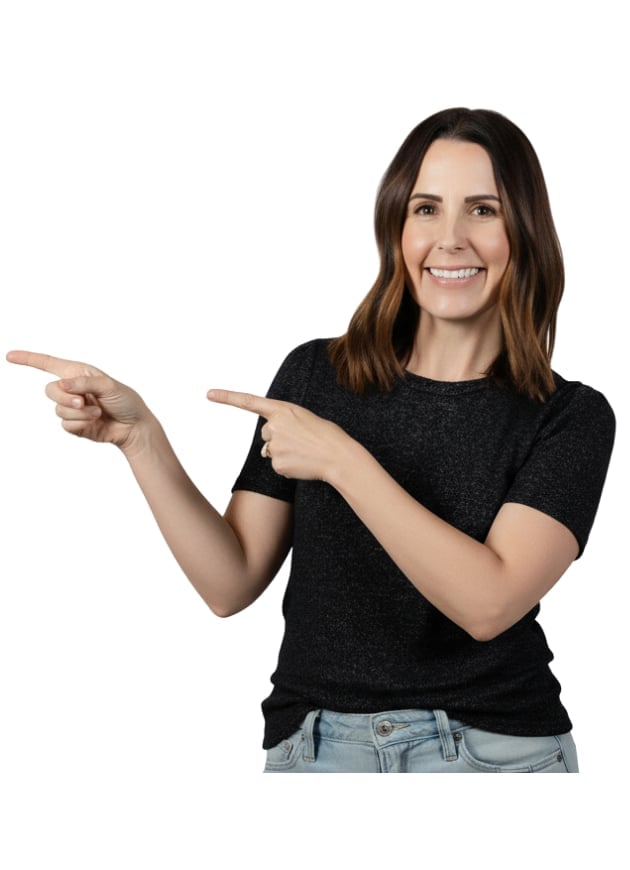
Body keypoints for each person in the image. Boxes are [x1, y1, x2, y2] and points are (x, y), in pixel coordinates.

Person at [7, 108, 615, 773]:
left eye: (482, 210)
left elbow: (489, 604)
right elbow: (229, 581)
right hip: (317, 751)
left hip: (495, 755)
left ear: (524, 230)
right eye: (425, 209)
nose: (450, 239)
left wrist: (343, 461)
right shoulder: (316, 375)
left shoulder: (571, 417)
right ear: (396, 227)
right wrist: (140, 439)